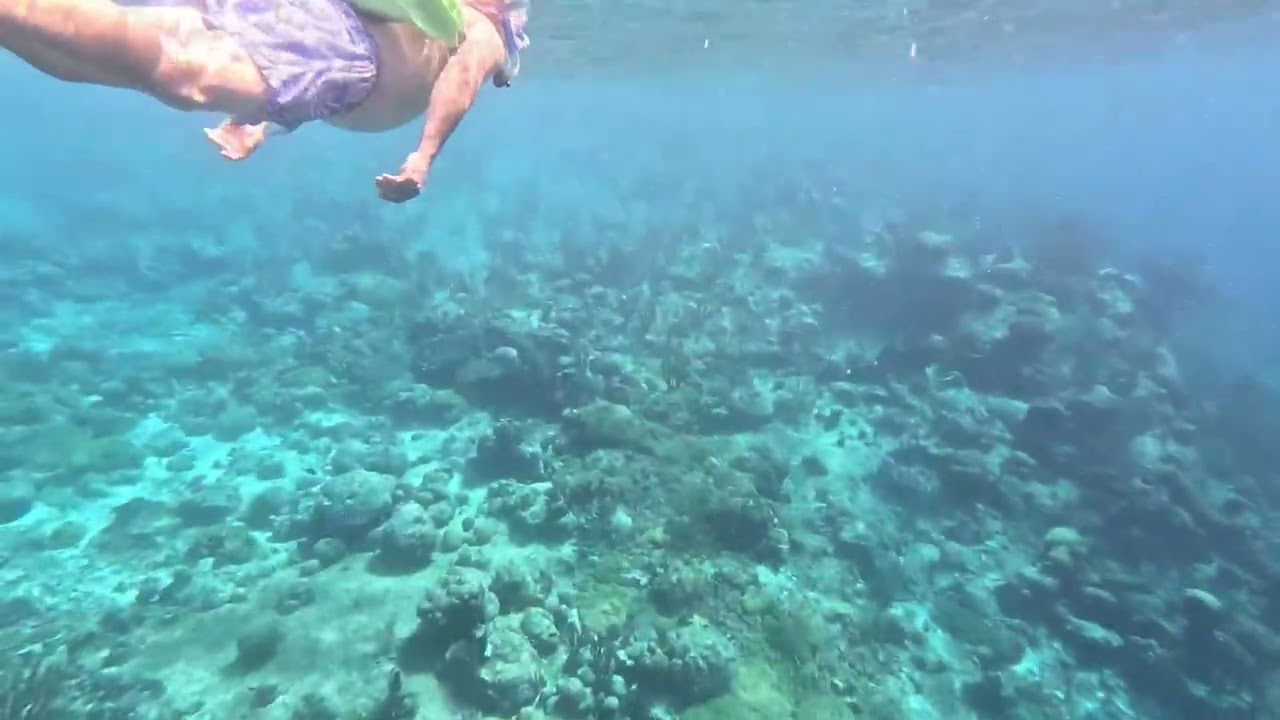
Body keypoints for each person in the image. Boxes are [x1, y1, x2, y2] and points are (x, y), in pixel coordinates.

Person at [0, 0, 530, 203]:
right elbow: (459, 80)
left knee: (134, 59)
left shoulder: (465, 25)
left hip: (324, 39)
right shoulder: (481, 28)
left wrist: (264, 123)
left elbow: (312, 88)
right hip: (344, 51)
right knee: (176, 66)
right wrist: (424, 156)